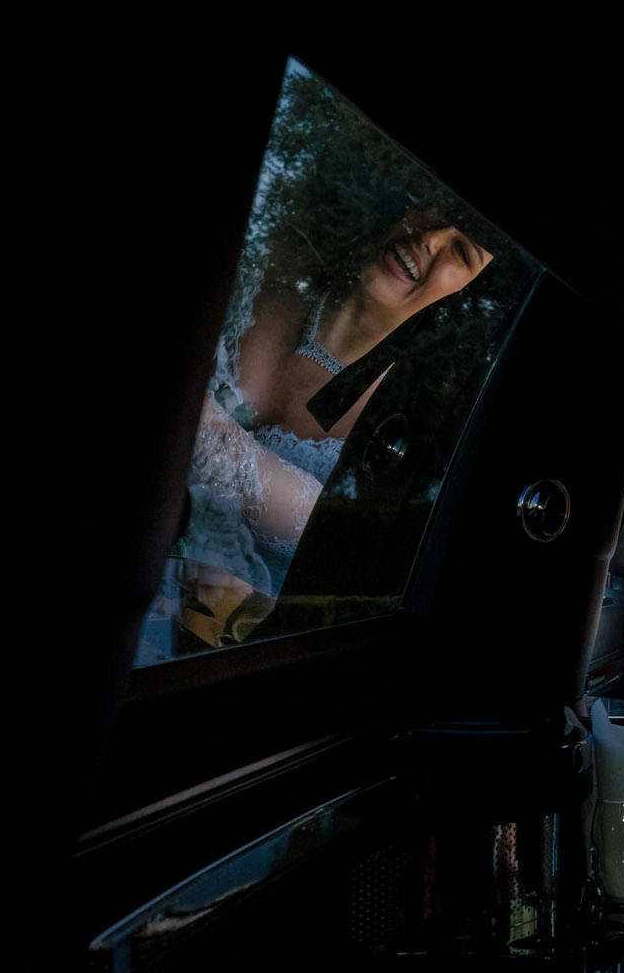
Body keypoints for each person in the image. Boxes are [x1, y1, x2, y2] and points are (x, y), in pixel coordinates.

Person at [167, 205, 495, 648]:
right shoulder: (265, 282)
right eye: (439, 213)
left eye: (461, 249)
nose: (431, 240)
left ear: (473, 297)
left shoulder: (410, 432)